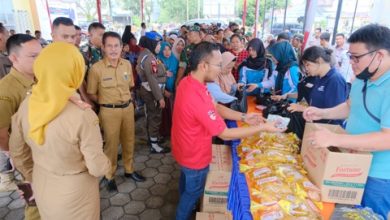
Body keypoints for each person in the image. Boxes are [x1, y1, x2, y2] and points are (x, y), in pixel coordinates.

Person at [172, 42, 285, 220]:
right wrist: (262, 127)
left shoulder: (190, 82)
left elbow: (215, 106)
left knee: (186, 186)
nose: (220, 69)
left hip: (184, 149)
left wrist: (243, 117)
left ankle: (184, 204)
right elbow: (223, 133)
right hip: (194, 156)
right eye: (218, 65)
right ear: (203, 66)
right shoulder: (196, 94)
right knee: (191, 194)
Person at [9, 42, 110, 220]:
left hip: (42, 185)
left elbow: (18, 152)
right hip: (76, 196)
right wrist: (108, 165)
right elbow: (96, 167)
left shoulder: (27, 105)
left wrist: (33, 175)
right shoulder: (83, 116)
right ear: (75, 72)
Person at [303, 24, 390, 219]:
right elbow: (350, 107)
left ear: (380, 55)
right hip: (350, 164)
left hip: (378, 175)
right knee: (342, 214)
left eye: (356, 57)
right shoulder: (362, 78)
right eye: (350, 56)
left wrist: (335, 140)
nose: (351, 62)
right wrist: (321, 112)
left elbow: (387, 138)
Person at [87, 32, 145, 192]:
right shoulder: (96, 69)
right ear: (103, 48)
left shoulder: (126, 64)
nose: (113, 49)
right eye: (109, 46)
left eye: (116, 46)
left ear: (121, 47)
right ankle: (109, 175)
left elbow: (131, 85)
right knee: (111, 146)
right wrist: (106, 102)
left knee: (129, 141)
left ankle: (129, 169)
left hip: (127, 109)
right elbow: (91, 93)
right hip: (109, 112)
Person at [0, 34, 42, 220]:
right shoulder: (6, 89)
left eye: (41, 54)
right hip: (25, 158)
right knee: (34, 202)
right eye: (33, 56)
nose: (39, 60)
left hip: (45, 152)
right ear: (14, 58)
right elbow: (1, 134)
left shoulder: (40, 78)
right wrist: (15, 158)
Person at [285, 46, 348, 138]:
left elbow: (335, 112)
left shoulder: (335, 80)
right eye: (305, 65)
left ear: (319, 61)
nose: (306, 69)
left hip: (328, 131)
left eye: (308, 64)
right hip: (316, 127)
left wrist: (303, 109)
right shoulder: (318, 78)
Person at [136, 32, 170, 154]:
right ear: (152, 43)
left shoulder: (148, 54)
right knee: (155, 117)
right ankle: (154, 145)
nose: (160, 46)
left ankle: (153, 139)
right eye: (158, 44)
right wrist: (160, 97)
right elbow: (152, 80)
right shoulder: (149, 58)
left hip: (151, 91)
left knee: (152, 116)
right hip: (152, 92)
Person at [157, 42, 178, 137]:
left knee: (173, 112)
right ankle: (164, 132)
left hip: (173, 89)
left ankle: (172, 131)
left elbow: (177, 76)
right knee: (163, 113)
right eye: (164, 49)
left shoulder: (175, 60)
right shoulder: (157, 60)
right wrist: (163, 91)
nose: (167, 52)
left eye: (169, 49)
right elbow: (154, 78)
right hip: (161, 91)